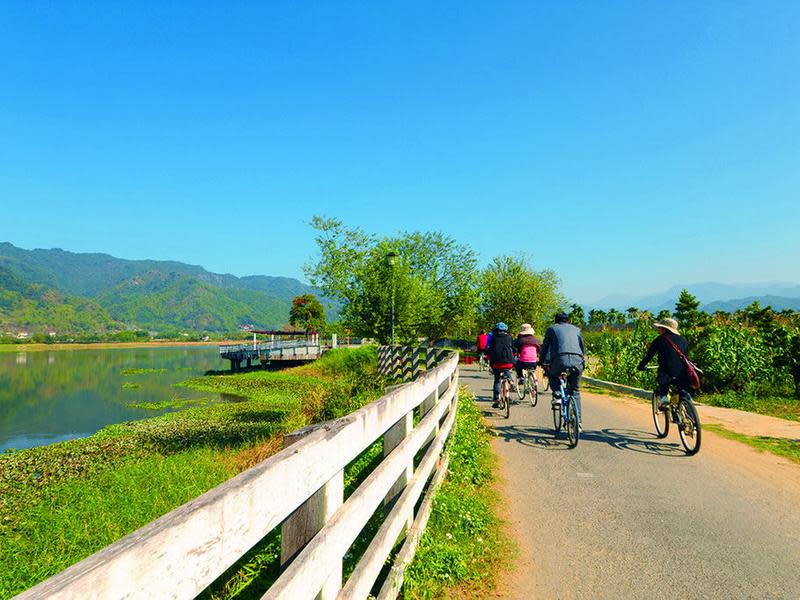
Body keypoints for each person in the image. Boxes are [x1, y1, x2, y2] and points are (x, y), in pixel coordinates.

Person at [540, 312, 585, 429]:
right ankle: (578, 423)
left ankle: (557, 395)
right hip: (577, 360)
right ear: (568, 321)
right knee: (575, 390)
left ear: (556, 321)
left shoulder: (551, 329)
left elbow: (545, 347)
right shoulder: (577, 329)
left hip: (560, 359)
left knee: (552, 375)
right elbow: (582, 346)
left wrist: (542, 361)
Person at [637, 317, 690, 408]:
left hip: (667, 372)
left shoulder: (660, 340)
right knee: (682, 389)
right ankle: (686, 407)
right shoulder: (683, 340)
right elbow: (686, 356)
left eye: (659, 328)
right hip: (683, 372)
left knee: (663, 385)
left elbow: (649, 355)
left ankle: (664, 399)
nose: (658, 330)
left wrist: (641, 365)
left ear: (664, 329)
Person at [486, 322, 515, 408]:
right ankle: (510, 380)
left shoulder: (494, 338)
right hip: (509, 362)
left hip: (497, 364)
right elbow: (513, 348)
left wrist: (487, 354)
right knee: (507, 369)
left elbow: (490, 350)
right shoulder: (509, 337)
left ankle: (496, 399)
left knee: (497, 380)